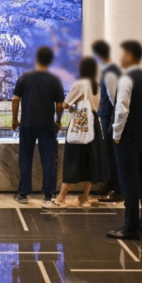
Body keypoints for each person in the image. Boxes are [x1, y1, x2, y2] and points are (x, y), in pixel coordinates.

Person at [107, 40, 142, 240]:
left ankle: (130, 226)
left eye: (123, 54)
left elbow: (122, 109)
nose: (120, 58)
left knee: (128, 181)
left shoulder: (127, 78)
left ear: (130, 56)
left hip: (128, 137)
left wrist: (116, 135)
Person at [50, 58, 108, 208]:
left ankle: (61, 198)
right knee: (90, 161)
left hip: (80, 123)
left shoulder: (80, 84)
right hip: (94, 125)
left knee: (73, 159)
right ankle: (84, 198)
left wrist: (72, 107)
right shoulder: (96, 85)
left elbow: (65, 104)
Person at [12, 47, 65, 206]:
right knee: (48, 160)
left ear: (36, 59)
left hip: (27, 124)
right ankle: (48, 195)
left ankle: (23, 194)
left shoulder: (25, 77)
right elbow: (60, 104)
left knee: (25, 158)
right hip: (47, 125)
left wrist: (15, 119)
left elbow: (15, 99)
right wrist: (58, 120)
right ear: (50, 61)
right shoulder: (55, 80)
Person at [92, 40, 123, 203]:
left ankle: (117, 189)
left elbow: (113, 97)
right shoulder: (110, 69)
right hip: (108, 116)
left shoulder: (110, 72)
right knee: (108, 153)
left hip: (110, 117)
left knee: (112, 153)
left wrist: (114, 121)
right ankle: (110, 184)